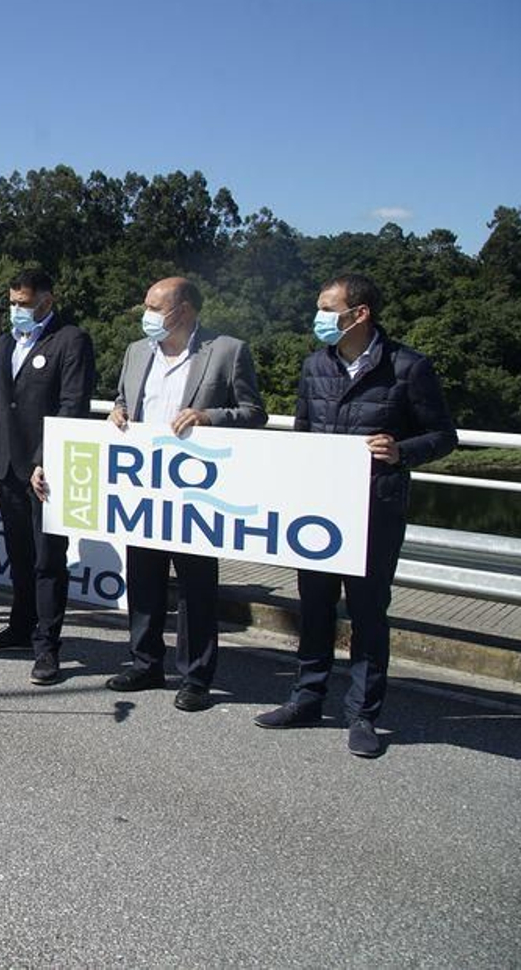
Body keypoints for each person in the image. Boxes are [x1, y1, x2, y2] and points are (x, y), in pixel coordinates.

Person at [255, 273, 456, 758]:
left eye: (329, 308)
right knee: (315, 606)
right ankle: (307, 697)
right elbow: (303, 433)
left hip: (375, 508)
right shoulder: (314, 366)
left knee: (368, 613)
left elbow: (444, 436)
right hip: (318, 510)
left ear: (359, 314)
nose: (320, 317)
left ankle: (362, 714)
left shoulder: (407, 367)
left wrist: (400, 450)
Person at [105, 276, 268, 711]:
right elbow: (123, 401)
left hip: (197, 491)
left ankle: (195, 676)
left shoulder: (227, 351)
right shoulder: (136, 352)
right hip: (145, 485)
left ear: (186, 310)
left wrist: (211, 416)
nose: (148, 315)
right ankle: (144, 661)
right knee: (143, 577)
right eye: (147, 305)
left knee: (196, 585)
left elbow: (255, 414)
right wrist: (117, 413)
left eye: (157, 307)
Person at [0, 269, 96, 686]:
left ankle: (47, 647)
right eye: (12, 302)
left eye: (23, 303)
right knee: (21, 559)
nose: (15, 310)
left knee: (47, 562)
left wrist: (48, 459)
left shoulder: (70, 340)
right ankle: (19, 628)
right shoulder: (4, 345)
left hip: (47, 474)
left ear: (46, 300)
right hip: (6, 471)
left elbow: (72, 406)